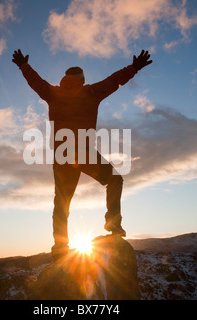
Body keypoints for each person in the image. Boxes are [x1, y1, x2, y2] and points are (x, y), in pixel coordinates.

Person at [13, 49, 152, 262]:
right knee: (114, 179)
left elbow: (35, 82)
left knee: (62, 202)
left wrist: (23, 65)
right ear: (82, 79)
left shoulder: (52, 92)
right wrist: (134, 68)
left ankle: (60, 246)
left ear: (65, 78)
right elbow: (114, 80)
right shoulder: (91, 92)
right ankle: (113, 222)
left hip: (62, 154)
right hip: (84, 153)